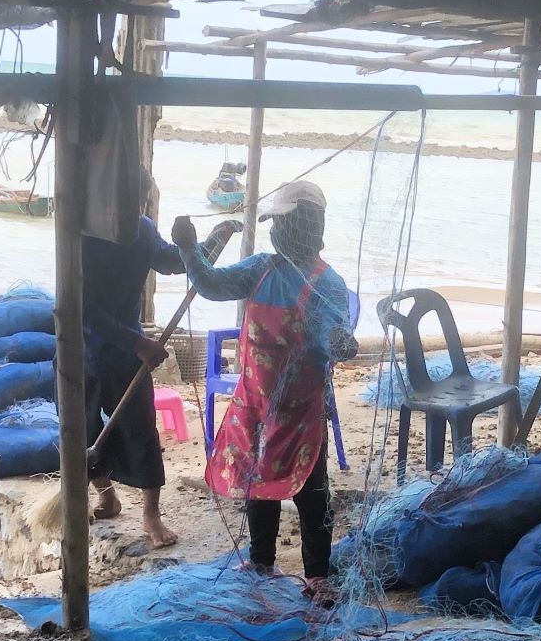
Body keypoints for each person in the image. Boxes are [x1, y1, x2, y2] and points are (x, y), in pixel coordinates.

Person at [171, 180, 356, 593]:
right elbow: (211, 284)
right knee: (259, 480)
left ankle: (318, 575)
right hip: (254, 401)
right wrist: (188, 248)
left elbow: (333, 333)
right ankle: (260, 562)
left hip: (300, 410)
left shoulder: (327, 284)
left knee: (311, 490)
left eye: (282, 222)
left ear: (302, 225)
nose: (276, 231)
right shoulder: (261, 267)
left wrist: (340, 342)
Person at [80, 210, 236, 548]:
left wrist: (198, 246)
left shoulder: (144, 229)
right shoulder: (81, 234)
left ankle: (151, 514)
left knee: (141, 431)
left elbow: (169, 261)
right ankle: (107, 496)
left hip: (126, 354)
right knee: (82, 429)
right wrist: (138, 343)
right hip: (81, 348)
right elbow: (83, 308)